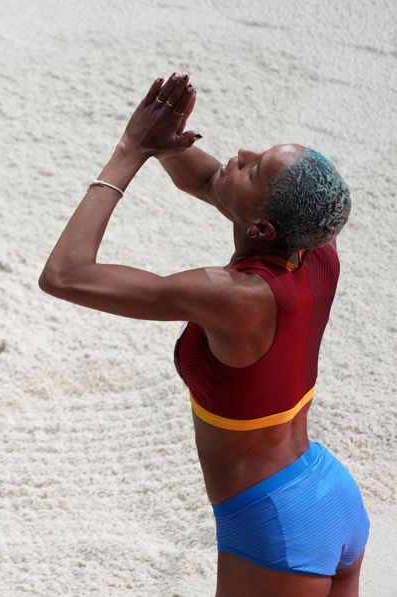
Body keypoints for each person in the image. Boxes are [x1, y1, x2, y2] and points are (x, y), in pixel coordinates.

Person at [38, 72, 369, 596]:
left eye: (254, 166)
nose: (238, 152)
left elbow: (65, 275)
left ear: (261, 229)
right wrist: (166, 145)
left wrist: (129, 151)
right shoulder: (314, 248)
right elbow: (206, 179)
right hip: (328, 495)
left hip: (275, 525)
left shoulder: (234, 297)